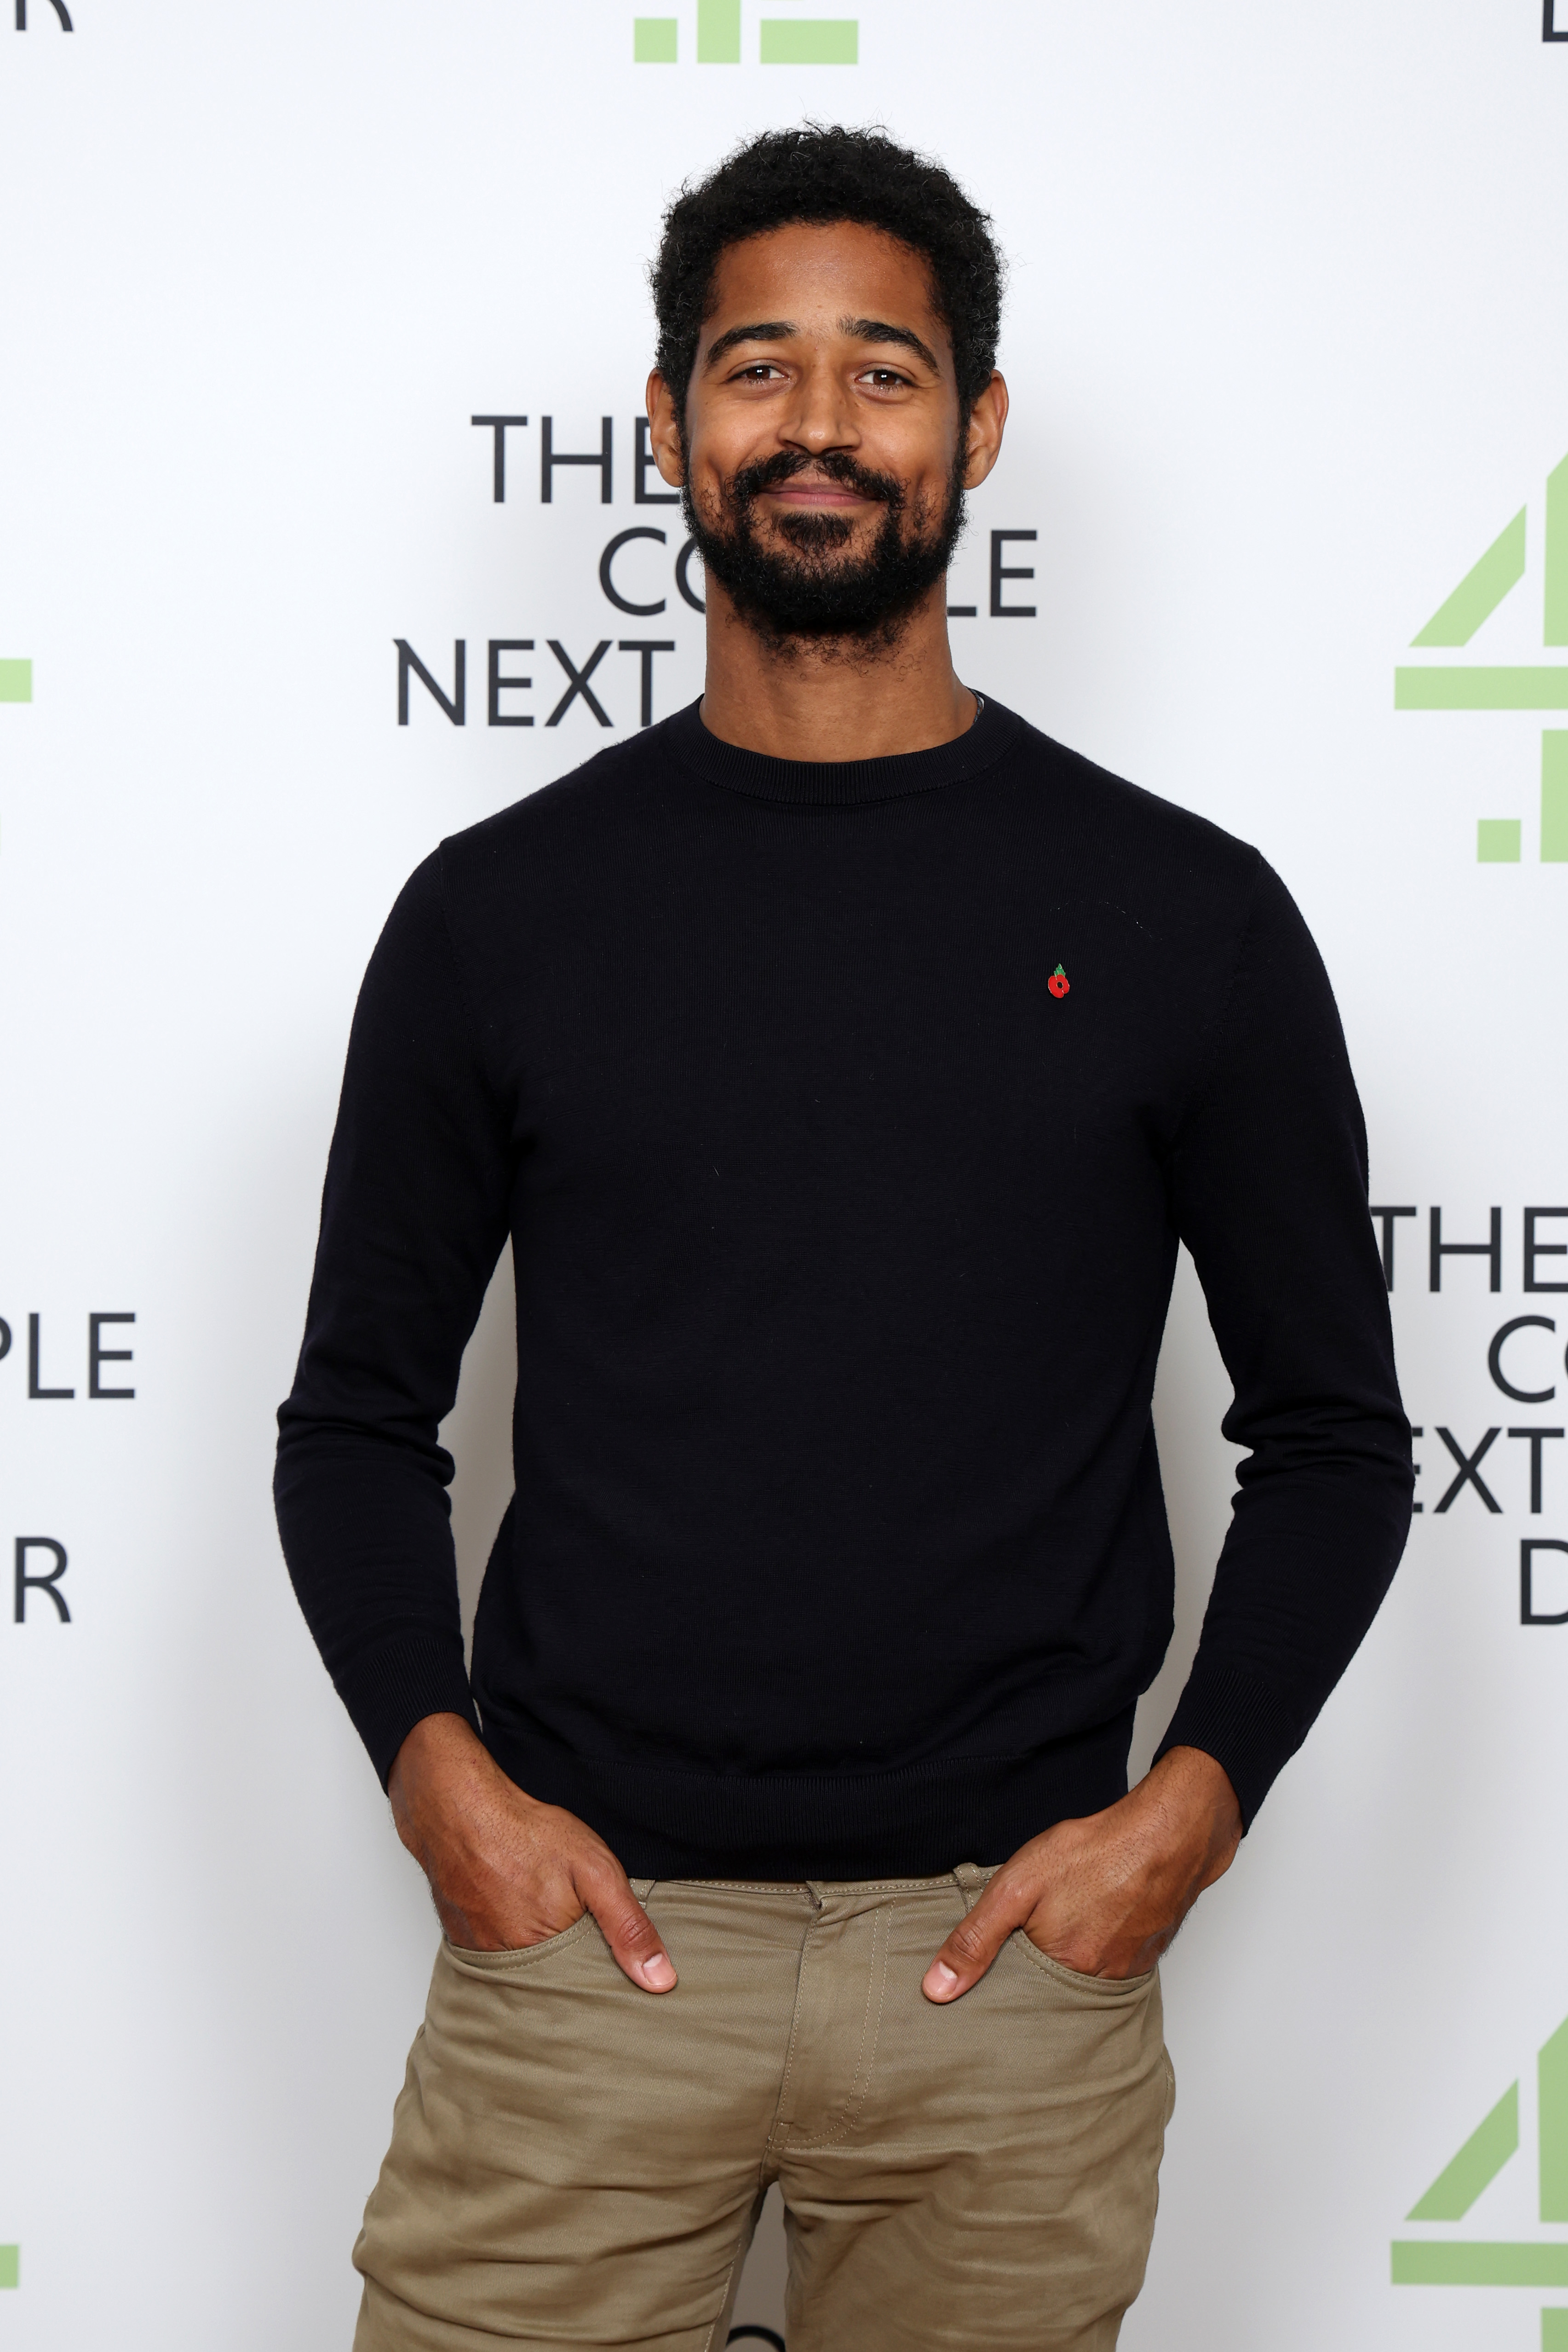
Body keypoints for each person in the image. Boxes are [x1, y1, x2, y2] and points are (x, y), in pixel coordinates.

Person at [276, 124, 1412, 2352]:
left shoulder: (1183, 917)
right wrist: (451, 1799)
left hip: (1008, 1974)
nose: (816, 427)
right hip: (583, 1965)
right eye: (755, 369)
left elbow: (1337, 1439)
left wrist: (1180, 1820)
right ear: (674, 425)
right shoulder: (498, 916)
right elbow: (352, 1421)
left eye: (880, 374)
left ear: (975, 426)